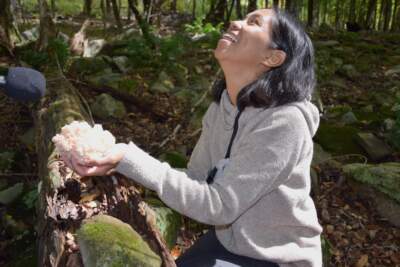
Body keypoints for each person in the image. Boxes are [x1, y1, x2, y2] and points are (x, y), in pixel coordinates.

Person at [69, 7, 323, 267]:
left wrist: (130, 159)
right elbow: (197, 179)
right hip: (229, 242)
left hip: (279, 257)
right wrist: (117, 160)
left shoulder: (285, 122)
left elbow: (219, 204)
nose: (234, 22)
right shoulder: (222, 107)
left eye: (254, 22)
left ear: (272, 57)